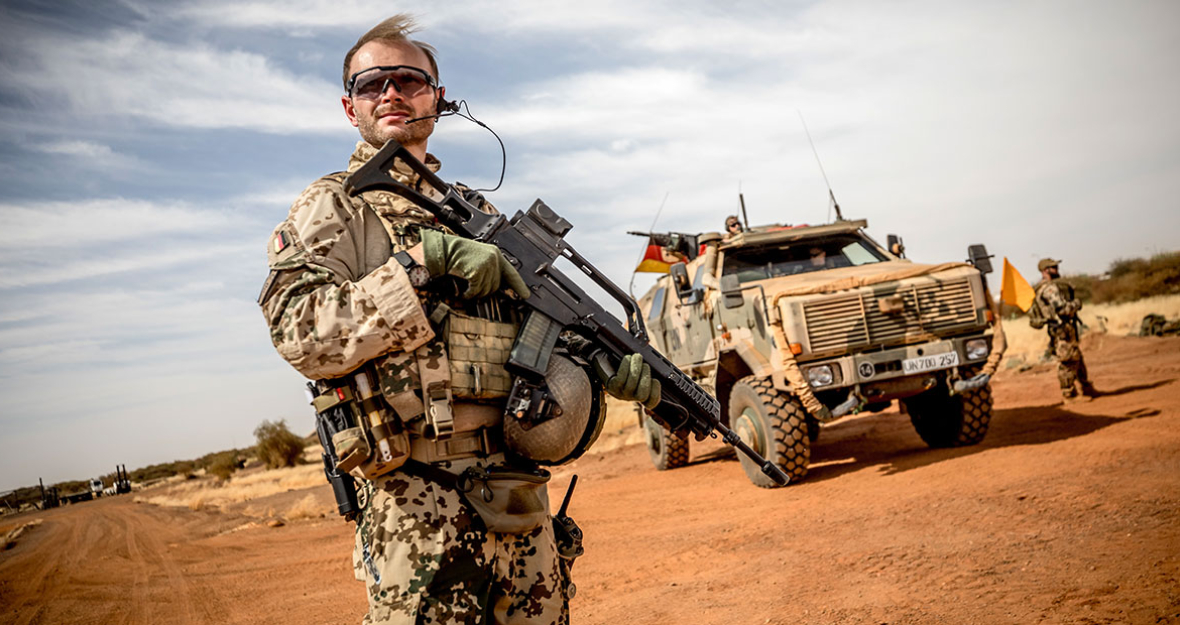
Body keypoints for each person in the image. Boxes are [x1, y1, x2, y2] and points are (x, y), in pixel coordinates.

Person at [258, 15, 658, 624]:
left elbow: (533, 338)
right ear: (350, 106)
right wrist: (423, 264)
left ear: (437, 99)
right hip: (414, 497)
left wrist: (602, 367)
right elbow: (300, 331)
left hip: (517, 488)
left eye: (408, 79)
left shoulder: (475, 213)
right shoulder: (337, 205)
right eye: (372, 84)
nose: (391, 92)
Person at [1032, 258, 1097, 402]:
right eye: (1053, 267)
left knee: (1077, 358)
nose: (1056, 269)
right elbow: (1062, 309)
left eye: (1056, 266)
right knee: (1067, 361)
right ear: (1045, 271)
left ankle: (1086, 387)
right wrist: (1076, 304)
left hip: (1065, 327)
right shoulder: (1049, 289)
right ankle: (1069, 394)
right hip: (1061, 327)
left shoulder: (1050, 286)